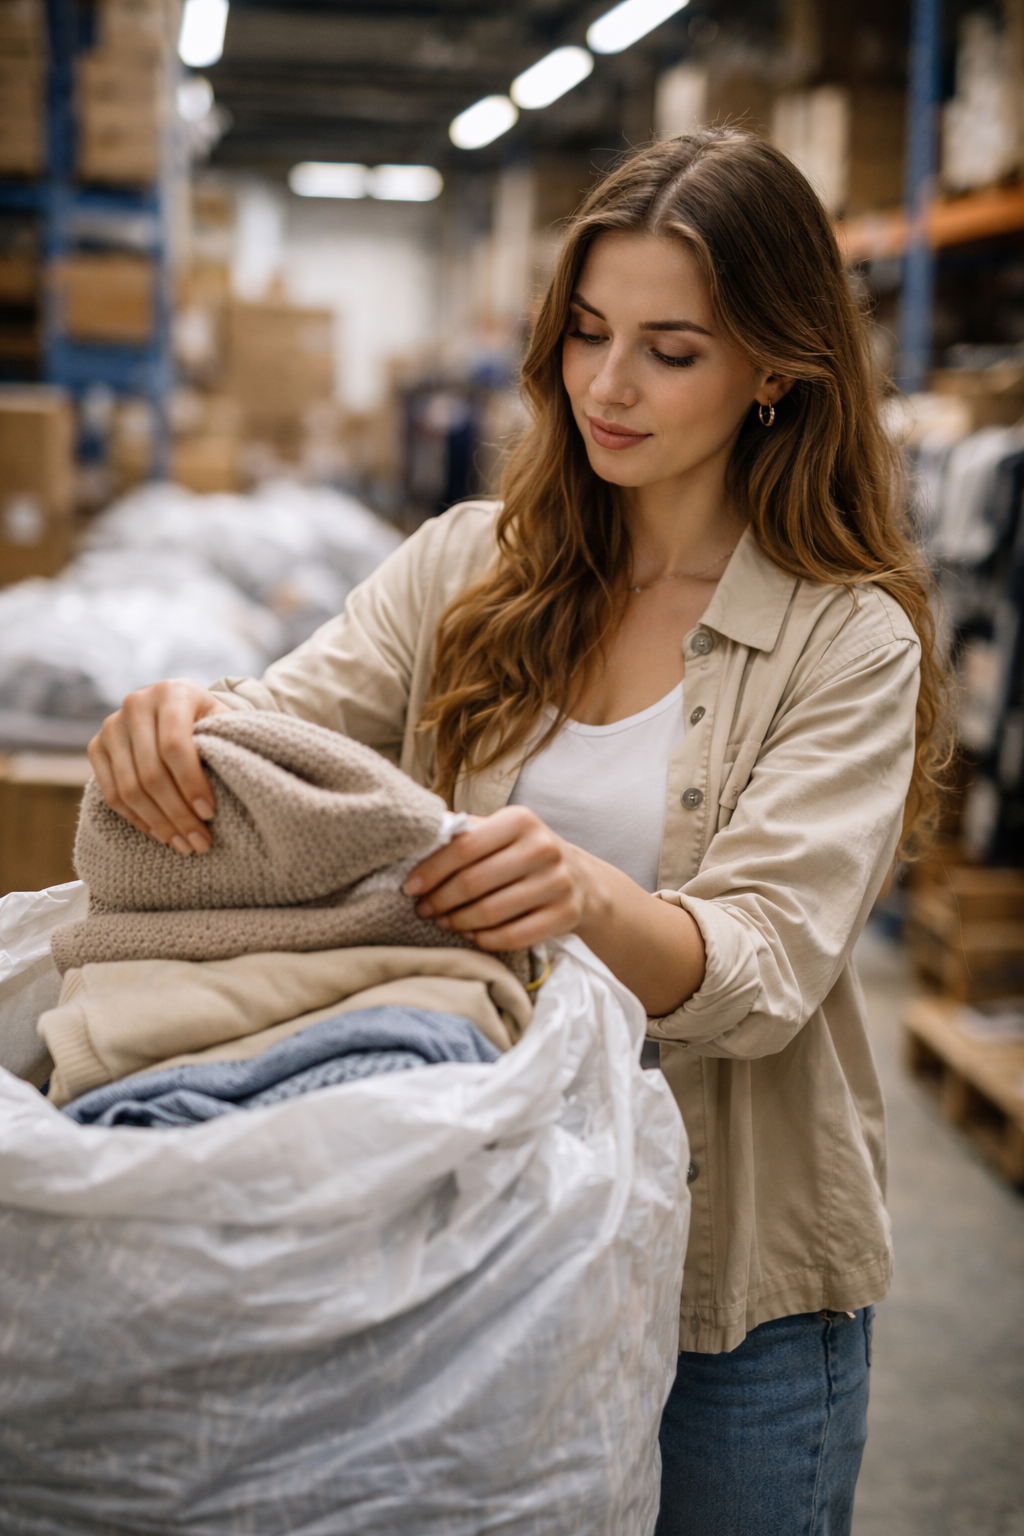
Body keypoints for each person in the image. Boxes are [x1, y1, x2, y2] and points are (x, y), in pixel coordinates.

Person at [88, 130, 949, 1535]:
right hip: (489, 1234)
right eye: (588, 334)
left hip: (731, 1287)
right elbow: (281, 735)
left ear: (776, 366)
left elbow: (762, 966)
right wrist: (188, 721)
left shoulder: (845, 638)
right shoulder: (467, 566)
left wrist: (585, 897)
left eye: (672, 351)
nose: (608, 386)